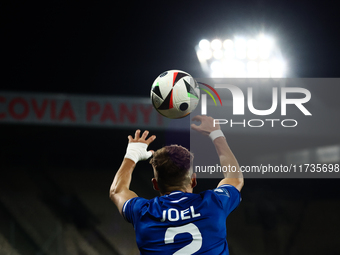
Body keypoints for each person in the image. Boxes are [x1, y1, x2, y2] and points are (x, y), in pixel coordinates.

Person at [109, 115, 244, 254]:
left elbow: (117, 191)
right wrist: (216, 134)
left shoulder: (143, 212)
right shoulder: (214, 203)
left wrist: (132, 155)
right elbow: (235, 178)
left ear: (155, 184)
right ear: (193, 180)